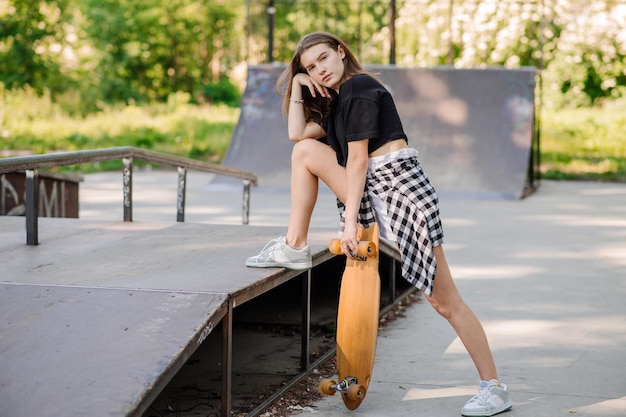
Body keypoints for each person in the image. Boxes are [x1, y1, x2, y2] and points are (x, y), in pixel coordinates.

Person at [245, 31, 512, 417]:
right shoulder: (340, 103)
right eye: (310, 67)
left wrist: (349, 222)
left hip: (402, 192)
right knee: (304, 150)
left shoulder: (360, 88)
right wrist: (298, 86)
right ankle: (295, 245)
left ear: (341, 51)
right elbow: (296, 134)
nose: (319, 70)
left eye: (323, 59)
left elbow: (358, 162)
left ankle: (495, 387)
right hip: (378, 188)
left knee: (444, 301)